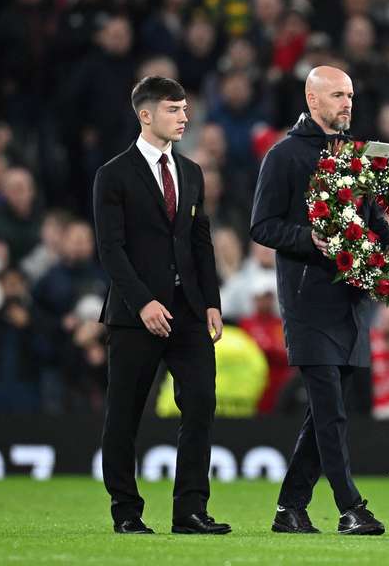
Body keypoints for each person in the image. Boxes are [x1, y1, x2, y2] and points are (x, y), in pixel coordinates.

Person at [250, 65, 385, 536]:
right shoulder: (283, 156)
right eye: (337, 96)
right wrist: (313, 240)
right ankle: (351, 506)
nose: (347, 103)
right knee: (330, 411)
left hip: (350, 299)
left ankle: (290, 507)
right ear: (312, 100)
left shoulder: (358, 154)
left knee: (322, 413)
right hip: (307, 301)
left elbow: (371, 220)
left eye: (350, 95)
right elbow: (261, 225)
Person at [93, 76, 229, 535]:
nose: (184, 117)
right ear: (145, 115)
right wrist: (142, 302)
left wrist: (211, 300)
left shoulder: (191, 172)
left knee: (201, 403)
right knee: (125, 413)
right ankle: (126, 511)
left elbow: (200, 240)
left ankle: (189, 510)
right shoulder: (113, 174)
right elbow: (110, 249)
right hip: (135, 316)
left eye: (186, 108)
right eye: (174, 109)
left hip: (188, 311)